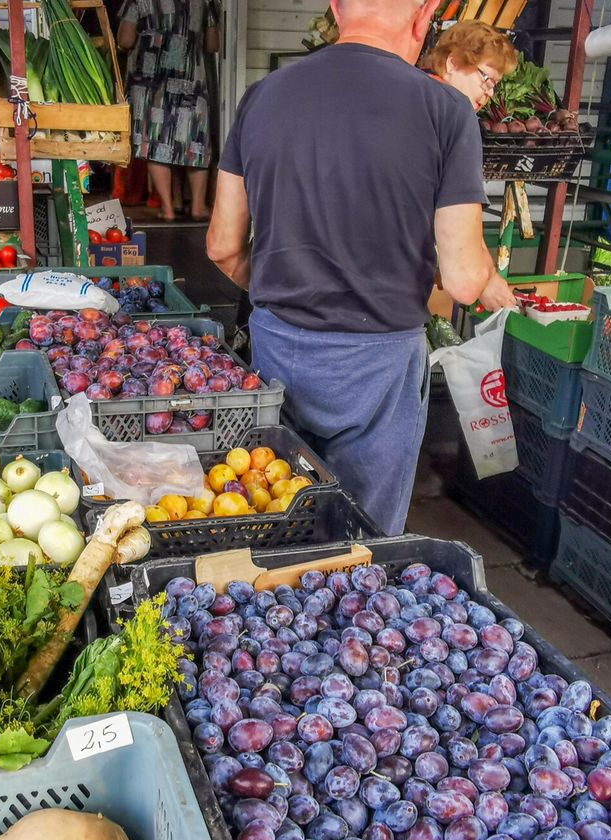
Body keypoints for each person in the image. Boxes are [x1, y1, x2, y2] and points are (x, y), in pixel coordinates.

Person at [206, 0, 518, 536]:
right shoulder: (445, 110)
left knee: (277, 513)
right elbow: (465, 280)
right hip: (381, 363)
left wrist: (290, 292)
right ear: (424, 18)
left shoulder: (262, 96)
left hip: (279, 345)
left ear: (336, 8)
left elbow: (222, 246)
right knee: (364, 543)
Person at [117, 0, 221, 221]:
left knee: (155, 141)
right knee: (194, 141)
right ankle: (198, 206)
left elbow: (125, 40)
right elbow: (213, 45)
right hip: (189, 77)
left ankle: (168, 208)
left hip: (149, 78)